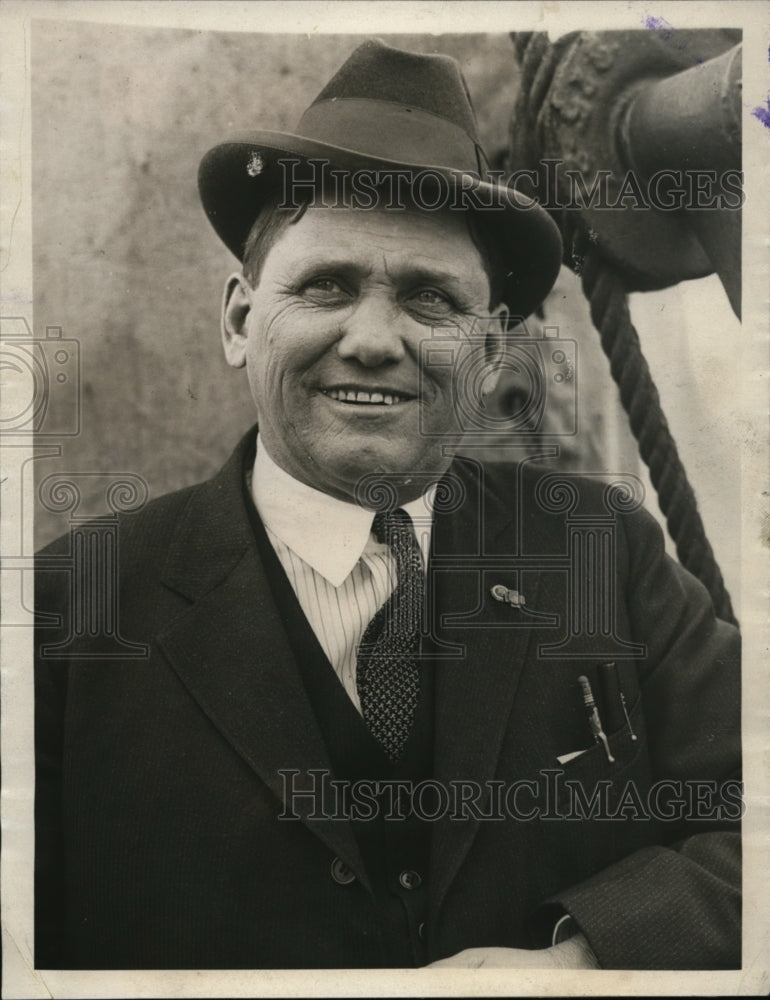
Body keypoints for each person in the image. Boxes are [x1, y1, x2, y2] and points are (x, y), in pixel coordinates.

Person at [34, 39, 740, 971]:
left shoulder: (605, 551)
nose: (372, 340)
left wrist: (584, 961)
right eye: (326, 286)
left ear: (491, 353)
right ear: (241, 320)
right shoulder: (64, 616)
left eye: (430, 299)